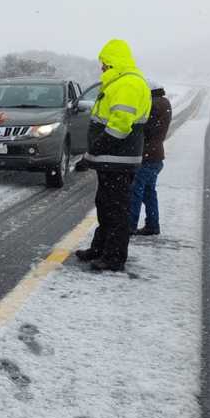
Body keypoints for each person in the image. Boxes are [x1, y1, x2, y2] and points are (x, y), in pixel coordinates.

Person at [74, 39, 151, 272]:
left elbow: (120, 125)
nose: (102, 68)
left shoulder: (128, 84)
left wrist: (96, 147)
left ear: (113, 62)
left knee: (116, 209)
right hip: (110, 160)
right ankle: (100, 248)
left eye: (104, 63)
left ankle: (114, 258)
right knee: (105, 205)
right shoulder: (118, 83)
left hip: (119, 159)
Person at [129, 82, 172, 235]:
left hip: (146, 155)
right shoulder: (164, 102)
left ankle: (130, 225)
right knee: (148, 191)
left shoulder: (152, 104)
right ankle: (153, 225)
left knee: (136, 191)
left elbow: (144, 127)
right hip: (156, 155)